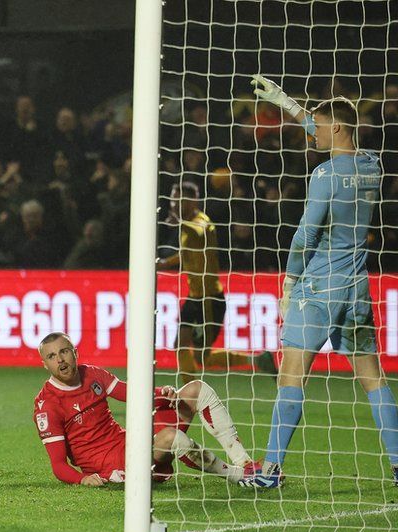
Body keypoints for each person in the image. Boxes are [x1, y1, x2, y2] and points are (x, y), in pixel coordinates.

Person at [244, 76, 398, 488]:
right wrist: (283, 101)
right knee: (373, 378)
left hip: (318, 287)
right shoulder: (372, 166)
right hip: (357, 289)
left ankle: (270, 471)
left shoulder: (325, 174)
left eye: (321, 126)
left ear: (339, 129)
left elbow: (306, 233)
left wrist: (290, 282)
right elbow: (322, 125)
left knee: (291, 376)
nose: (313, 133)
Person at [33, 332, 258, 486]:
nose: (60, 360)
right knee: (171, 438)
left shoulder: (92, 374)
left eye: (64, 351)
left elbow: (132, 394)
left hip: (131, 444)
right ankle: (237, 476)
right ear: (45, 364)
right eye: (52, 356)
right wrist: (82, 479)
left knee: (197, 389)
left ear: (75, 352)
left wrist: (162, 392)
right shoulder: (48, 406)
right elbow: (59, 465)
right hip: (115, 466)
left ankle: (246, 464)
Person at [157, 181, 278, 384]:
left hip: (210, 299)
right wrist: (165, 263)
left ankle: (257, 360)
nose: (174, 204)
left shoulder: (202, 220)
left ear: (192, 201)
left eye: (179, 200)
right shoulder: (185, 224)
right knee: (180, 344)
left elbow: (199, 231)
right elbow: (186, 253)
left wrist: (180, 222)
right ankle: (188, 394)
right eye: (173, 200)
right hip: (194, 297)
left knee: (201, 357)